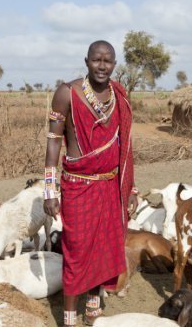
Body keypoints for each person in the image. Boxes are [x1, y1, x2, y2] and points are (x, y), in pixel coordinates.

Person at [43, 40, 138, 326]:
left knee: (105, 248)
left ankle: (93, 308)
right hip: (77, 186)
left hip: (110, 186)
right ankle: (70, 317)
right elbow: (53, 143)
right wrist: (50, 189)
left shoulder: (118, 97)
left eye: (107, 61)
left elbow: (126, 148)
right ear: (86, 61)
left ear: (114, 65)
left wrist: (131, 187)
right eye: (96, 60)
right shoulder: (66, 94)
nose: (102, 65)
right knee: (77, 250)